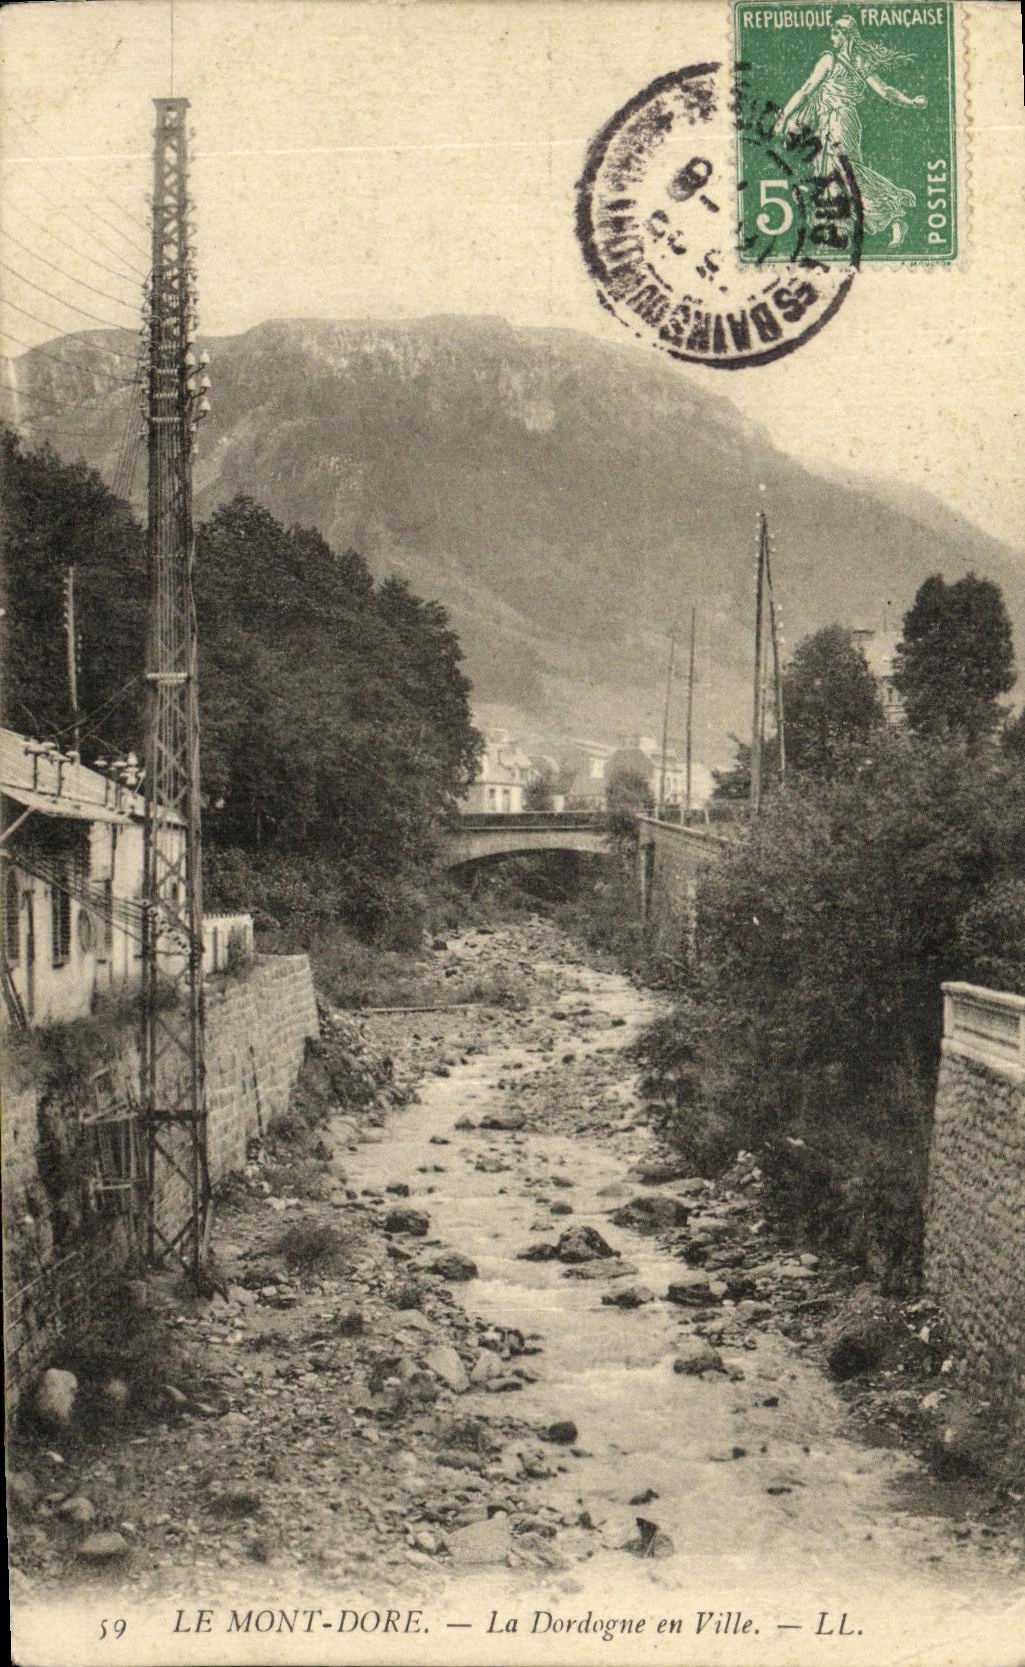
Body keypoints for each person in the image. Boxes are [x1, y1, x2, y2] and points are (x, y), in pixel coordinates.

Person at [772, 14, 926, 248]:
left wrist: (784, 116)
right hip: (844, 121)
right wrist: (911, 102)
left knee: (841, 172)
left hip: (837, 120)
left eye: (836, 33)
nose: (831, 37)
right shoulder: (861, 61)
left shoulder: (829, 60)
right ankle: (843, 228)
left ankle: (890, 213)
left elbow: (805, 90)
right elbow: (885, 91)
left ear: (846, 36)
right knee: (835, 173)